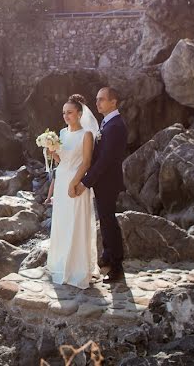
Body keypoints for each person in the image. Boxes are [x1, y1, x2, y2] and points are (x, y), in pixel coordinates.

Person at [45, 94, 101, 288]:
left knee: (76, 222)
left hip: (76, 184)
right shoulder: (61, 133)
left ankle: (77, 269)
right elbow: (63, 160)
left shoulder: (86, 134)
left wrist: (74, 183)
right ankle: (60, 264)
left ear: (79, 113)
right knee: (62, 222)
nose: (66, 116)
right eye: (64, 113)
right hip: (61, 181)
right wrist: (52, 153)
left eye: (69, 112)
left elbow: (86, 162)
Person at [81, 87, 129, 284]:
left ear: (113, 102)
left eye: (102, 100)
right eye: (97, 99)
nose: (98, 103)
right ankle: (108, 257)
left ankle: (117, 266)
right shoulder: (107, 123)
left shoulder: (116, 125)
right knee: (106, 220)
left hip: (108, 182)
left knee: (109, 223)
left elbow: (106, 159)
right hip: (104, 182)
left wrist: (86, 181)